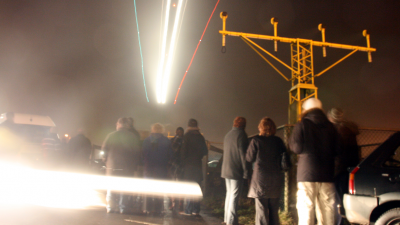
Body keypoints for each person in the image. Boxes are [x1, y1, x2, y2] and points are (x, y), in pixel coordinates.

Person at [289, 98, 341, 225]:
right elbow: (339, 149)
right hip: (327, 174)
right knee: (327, 210)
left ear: (306, 110)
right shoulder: (331, 127)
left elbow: (296, 148)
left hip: (307, 174)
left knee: (306, 209)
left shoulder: (302, 125)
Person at [246, 117, 286, 225]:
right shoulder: (278, 141)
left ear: (260, 128)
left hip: (261, 179)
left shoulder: (256, 140)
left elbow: (249, 158)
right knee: (274, 210)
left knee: (261, 210)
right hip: (275, 178)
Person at [102, 117, 141, 214]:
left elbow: (104, 150)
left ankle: (110, 207)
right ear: (127, 125)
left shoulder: (111, 135)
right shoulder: (132, 137)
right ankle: (123, 207)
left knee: (111, 186)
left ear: (119, 124)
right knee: (124, 187)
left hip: (112, 165)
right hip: (127, 166)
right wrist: (134, 165)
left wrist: (105, 159)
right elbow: (137, 153)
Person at [327, 108, 359, 225]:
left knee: (337, 198)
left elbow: (338, 153)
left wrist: (332, 171)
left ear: (332, 118)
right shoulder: (349, 130)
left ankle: (340, 221)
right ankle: (347, 219)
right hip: (350, 167)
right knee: (345, 195)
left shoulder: (338, 130)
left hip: (339, 169)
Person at [221, 117, 250, 225]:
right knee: (234, 196)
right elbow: (243, 155)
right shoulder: (242, 135)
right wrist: (246, 172)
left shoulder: (228, 135)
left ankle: (226, 219)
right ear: (243, 125)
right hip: (236, 170)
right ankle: (231, 222)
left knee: (229, 194)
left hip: (226, 169)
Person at [142, 123, 172, 215]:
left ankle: (148, 208)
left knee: (149, 189)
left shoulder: (147, 140)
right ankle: (158, 209)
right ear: (162, 130)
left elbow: (143, 154)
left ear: (152, 129)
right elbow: (170, 154)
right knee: (159, 189)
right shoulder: (166, 141)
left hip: (149, 168)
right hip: (161, 168)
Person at [179, 119, 208, 216]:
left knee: (189, 187)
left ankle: (188, 210)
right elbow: (205, 151)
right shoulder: (200, 137)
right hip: (198, 165)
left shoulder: (186, 136)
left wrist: (183, 163)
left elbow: (183, 152)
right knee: (197, 187)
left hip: (188, 165)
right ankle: (196, 209)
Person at [169, 127, 185, 210]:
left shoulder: (173, 140)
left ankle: (173, 203)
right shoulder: (185, 140)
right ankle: (180, 204)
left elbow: (171, 151)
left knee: (173, 185)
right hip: (181, 165)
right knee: (180, 184)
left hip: (173, 165)